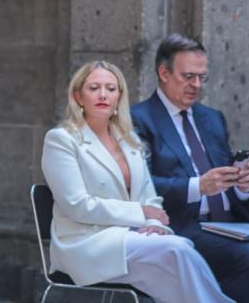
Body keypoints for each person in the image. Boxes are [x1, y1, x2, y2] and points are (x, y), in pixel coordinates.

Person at [41, 61, 232, 303]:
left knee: (175, 269)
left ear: (119, 96)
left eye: (111, 88)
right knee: (178, 249)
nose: (103, 95)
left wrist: (154, 222)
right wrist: (141, 213)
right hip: (85, 242)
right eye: (94, 88)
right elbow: (78, 205)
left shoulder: (128, 139)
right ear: (78, 96)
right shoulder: (62, 139)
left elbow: (149, 196)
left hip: (130, 237)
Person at [131, 34, 249, 303]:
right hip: (181, 225)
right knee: (247, 256)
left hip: (229, 223)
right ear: (164, 73)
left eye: (202, 77)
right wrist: (199, 186)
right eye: (188, 76)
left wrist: (243, 184)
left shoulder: (211, 118)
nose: (196, 85)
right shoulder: (139, 119)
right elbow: (142, 185)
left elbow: (226, 178)